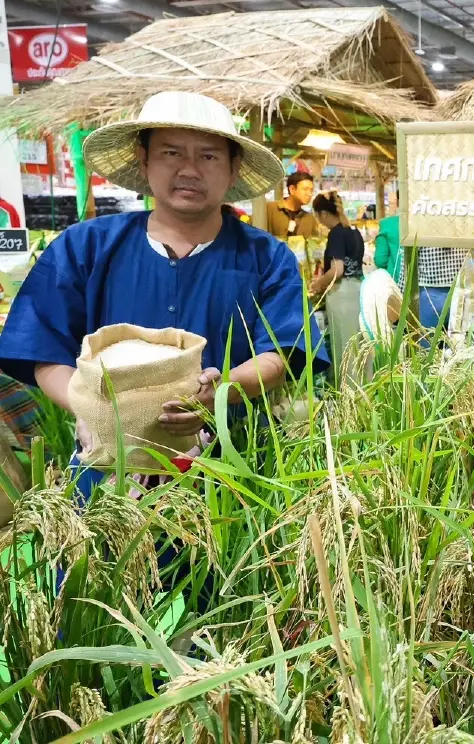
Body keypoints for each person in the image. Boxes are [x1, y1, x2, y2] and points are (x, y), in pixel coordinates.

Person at [0, 90, 328, 498]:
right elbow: (44, 351)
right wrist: (95, 410)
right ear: (144, 159)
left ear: (233, 167)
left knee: (226, 561)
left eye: (208, 156)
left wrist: (223, 389)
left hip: (232, 468)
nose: (189, 170)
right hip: (107, 470)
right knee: (107, 561)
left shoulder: (266, 257)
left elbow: (281, 353)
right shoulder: (85, 248)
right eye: (171, 153)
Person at [309, 191, 364, 380]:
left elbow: (337, 270)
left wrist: (318, 283)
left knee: (344, 347)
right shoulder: (353, 231)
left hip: (341, 294)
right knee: (358, 346)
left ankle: (347, 395)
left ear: (323, 214)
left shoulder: (336, 234)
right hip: (358, 291)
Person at [265, 170, 316, 239]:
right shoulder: (270, 209)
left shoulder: (309, 219)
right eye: (305, 189)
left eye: (311, 190)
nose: (310, 194)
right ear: (292, 189)